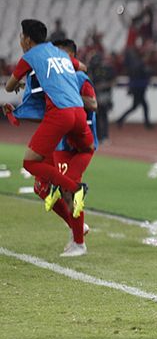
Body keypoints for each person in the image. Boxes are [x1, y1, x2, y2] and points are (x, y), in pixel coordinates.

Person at [3, 19, 91, 220]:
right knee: (85, 150)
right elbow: (83, 68)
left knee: (30, 162)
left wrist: (18, 85)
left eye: (20, 36)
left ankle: (72, 187)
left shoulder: (30, 56)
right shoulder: (60, 53)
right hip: (79, 112)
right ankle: (77, 229)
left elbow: (9, 86)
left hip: (60, 113)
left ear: (26, 39)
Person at [50, 39, 98, 257]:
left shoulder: (79, 77)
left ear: (70, 55)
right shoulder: (53, 79)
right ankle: (77, 227)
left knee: (71, 188)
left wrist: (69, 97)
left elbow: (93, 104)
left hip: (81, 145)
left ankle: (79, 242)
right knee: (44, 190)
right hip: (59, 143)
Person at [116, 46, 153, 129]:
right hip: (138, 89)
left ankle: (121, 119)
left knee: (138, 106)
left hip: (138, 89)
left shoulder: (136, 64)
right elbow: (139, 77)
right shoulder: (139, 65)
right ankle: (147, 124)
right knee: (138, 106)